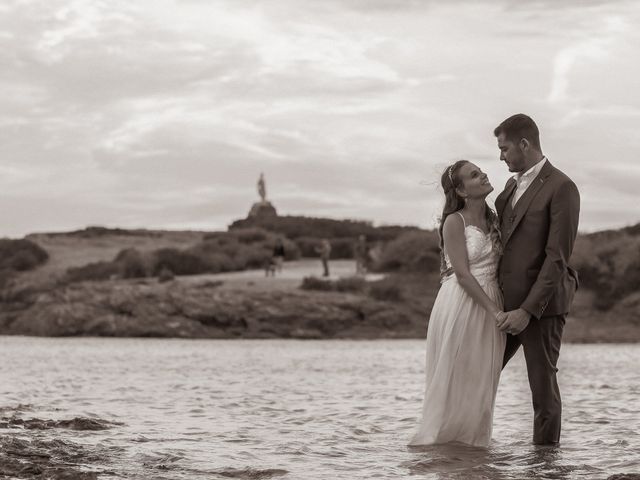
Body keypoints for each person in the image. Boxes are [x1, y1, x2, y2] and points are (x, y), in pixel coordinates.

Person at [494, 114, 580, 445]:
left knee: (542, 392)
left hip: (541, 308)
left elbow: (557, 257)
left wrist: (527, 311)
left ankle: (545, 466)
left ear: (524, 144)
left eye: (504, 148)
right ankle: (469, 455)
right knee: (479, 376)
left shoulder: (562, 186)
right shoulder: (510, 186)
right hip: (504, 307)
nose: (501, 156)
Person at [410, 160, 506, 447]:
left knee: (481, 384)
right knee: (457, 379)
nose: (484, 175)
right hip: (462, 303)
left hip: (491, 299)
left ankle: (475, 452)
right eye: (474, 175)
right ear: (462, 191)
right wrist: (495, 311)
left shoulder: (495, 218)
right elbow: (462, 274)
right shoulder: (455, 221)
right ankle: (446, 454)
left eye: (481, 170)